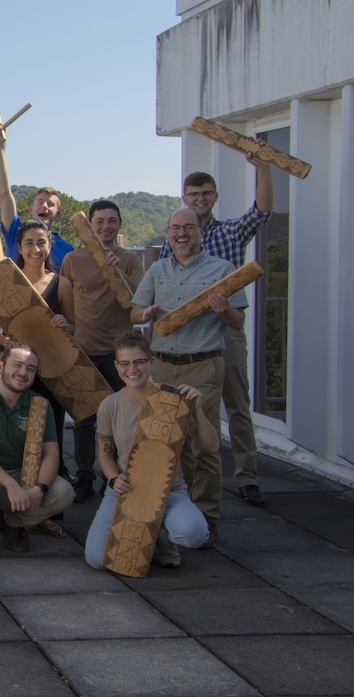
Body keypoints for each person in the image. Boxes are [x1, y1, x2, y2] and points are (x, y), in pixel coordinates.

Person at [160, 153, 272, 507]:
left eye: (206, 193)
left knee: (237, 403)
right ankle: (193, 483)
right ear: (185, 198)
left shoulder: (229, 232)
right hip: (188, 336)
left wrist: (263, 167)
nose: (200, 199)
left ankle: (247, 476)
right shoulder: (175, 237)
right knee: (192, 410)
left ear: (215, 197)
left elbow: (263, 210)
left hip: (225, 327)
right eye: (194, 194)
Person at [131, 208, 248, 545]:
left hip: (203, 364)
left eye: (188, 228)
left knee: (204, 443)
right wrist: (147, 312)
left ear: (200, 232)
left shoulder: (222, 271)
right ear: (168, 233)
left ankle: (208, 518)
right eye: (175, 229)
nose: (181, 234)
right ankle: (174, 512)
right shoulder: (157, 269)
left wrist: (224, 309)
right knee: (168, 441)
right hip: (163, 364)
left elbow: (238, 322)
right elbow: (134, 311)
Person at [84, 333, 215, 570]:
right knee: (97, 560)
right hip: (126, 489)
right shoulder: (110, 405)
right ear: (116, 366)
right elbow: (104, 453)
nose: (132, 369)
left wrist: (197, 411)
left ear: (151, 362)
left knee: (193, 534)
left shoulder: (173, 399)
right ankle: (149, 536)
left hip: (169, 490)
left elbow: (210, 446)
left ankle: (162, 539)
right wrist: (113, 479)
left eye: (139, 362)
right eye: (124, 363)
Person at [0, 219, 72, 538]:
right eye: (29, 242)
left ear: (50, 245)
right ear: (19, 246)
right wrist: (7, 343)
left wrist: (64, 325)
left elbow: (74, 328)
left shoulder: (62, 283)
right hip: (13, 375)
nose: (35, 249)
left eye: (42, 242)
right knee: (4, 438)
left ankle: (40, 512)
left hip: (51, 375)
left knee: (47, 441)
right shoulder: (7, 283)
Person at [0, 344, 75, 558]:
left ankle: (13, 523)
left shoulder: (39, 404)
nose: (22, 373)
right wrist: (10, 485)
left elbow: (52, 453)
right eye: (17, 365)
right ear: (0, 365)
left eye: (30, 369)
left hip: (21, 473)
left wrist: (39, 488)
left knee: (63, 493)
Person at [60, 200, 145, 501]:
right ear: (90, 226)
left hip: (121, 355)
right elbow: (64, 298)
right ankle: (85, 476)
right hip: (83, 349)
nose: (105, 227)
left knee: (126, 417)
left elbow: (139, 301)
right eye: (99, 221)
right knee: (84, 420)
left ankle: (125, 475)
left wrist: (117, 269)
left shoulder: (129, 259)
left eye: (111, 221)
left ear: (120, 224)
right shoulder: (73, 259)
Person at [0, 123, 74, 268]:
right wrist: (0, 147)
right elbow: (5, 194)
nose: (44, 206)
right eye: (40, 201)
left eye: (50, 204)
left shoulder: (67, 250)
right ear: (31, 209)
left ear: (57, 214)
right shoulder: (16, 233)